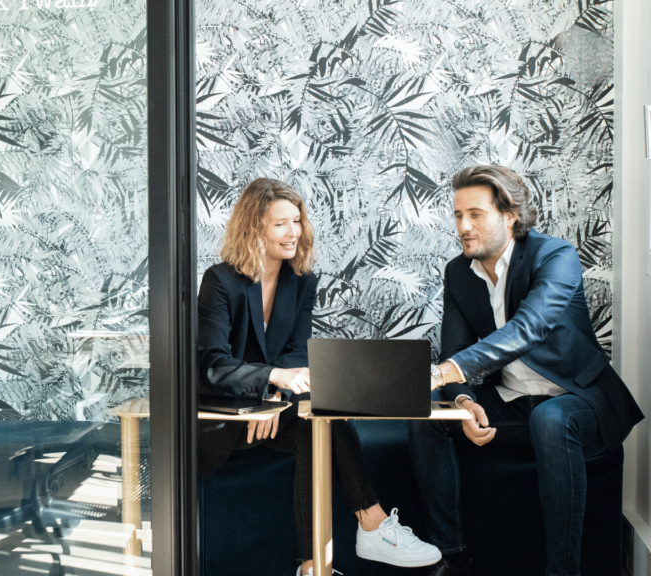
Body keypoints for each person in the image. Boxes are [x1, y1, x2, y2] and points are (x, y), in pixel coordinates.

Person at [409, 165, 645, 576]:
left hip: (577, 400)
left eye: (475, 214)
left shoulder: (554, 256)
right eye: (458, 215)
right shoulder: (458, 272)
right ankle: (452, 555)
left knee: (550, 419)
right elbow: (455, 348)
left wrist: (444, 372)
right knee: (427, 413)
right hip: (513, 402)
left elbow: (529, 328)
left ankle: (562, 571)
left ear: (510, 216)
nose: (463, 226)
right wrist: (463, 399)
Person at [198, 177, 441, 575]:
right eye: (280, 223)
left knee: (322, 426)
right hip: (225, 416)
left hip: (273, 410)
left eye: (296, 221)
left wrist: (276, 397)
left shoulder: (301, 281)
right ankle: (372, 525)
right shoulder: (220, 281)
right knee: (320, 420)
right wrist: (266, 389)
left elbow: (297, 352)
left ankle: (315, 564)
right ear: (254, 227)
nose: (293, 231)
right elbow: (213, 365)